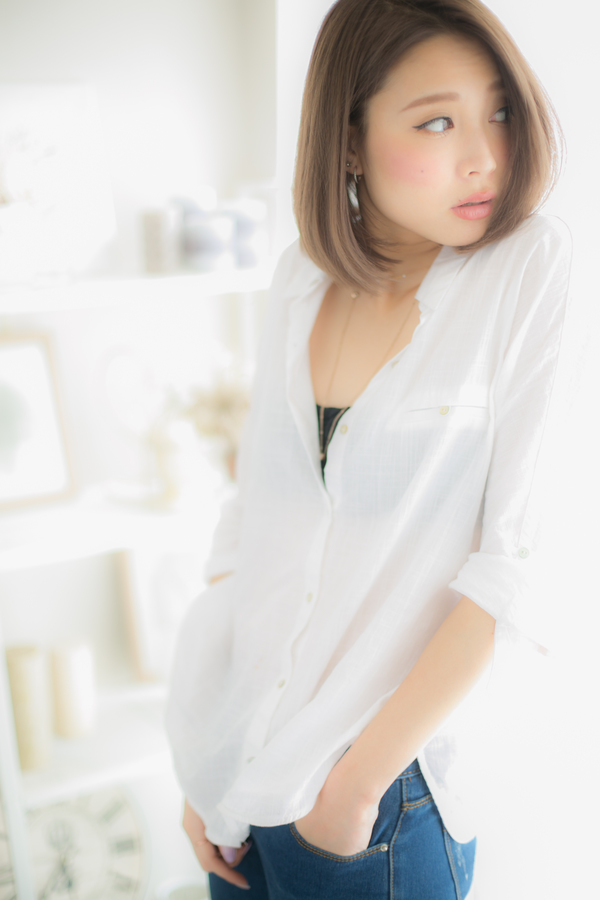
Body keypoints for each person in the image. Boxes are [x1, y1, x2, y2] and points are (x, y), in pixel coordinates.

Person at [166, 0, 572, 897]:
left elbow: (514, 571)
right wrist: (208, 755)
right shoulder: (299, 279)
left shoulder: (525, 270)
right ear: (348, 141)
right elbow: (252, 530)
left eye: (500, 111)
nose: (486, 154)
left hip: (375, 805)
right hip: (243, 779)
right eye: (437, 121)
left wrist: (354, 789)